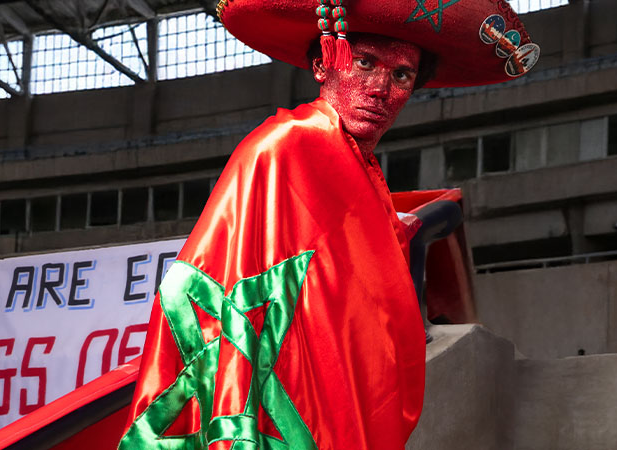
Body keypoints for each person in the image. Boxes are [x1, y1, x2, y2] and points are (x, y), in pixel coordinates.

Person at [120, 1, 538, 449]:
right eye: (365, 63)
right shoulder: (287, 147)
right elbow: (209, 292)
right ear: (323, 65)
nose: (380, 89)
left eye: (402, 75)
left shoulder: (362, 172)